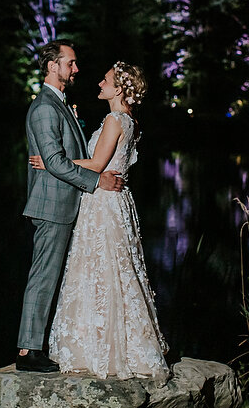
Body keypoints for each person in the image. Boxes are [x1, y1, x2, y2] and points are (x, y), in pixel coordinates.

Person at [30, 61, 170, 383]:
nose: (100, 83)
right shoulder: (129, 120)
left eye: (105, 80)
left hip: (103, 204)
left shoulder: (113, 119)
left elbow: (96, 163)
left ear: (119, 89)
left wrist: (51, 164)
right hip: (116, 201)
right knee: (116, 270)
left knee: (100, 269)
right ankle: (114, 342)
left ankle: (101, 348)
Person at [16, 40, 125, 373]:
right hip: (51, 205)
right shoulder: (45, 107)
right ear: (53, 66)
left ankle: (43, 346)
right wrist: (97, 182)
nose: (76, 69)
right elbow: (53, 161)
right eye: (71, 63)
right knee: (43, 277)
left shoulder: (61, 104)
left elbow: (60, 158)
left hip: (67, 203)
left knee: (55, 277)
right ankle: (27, 352)